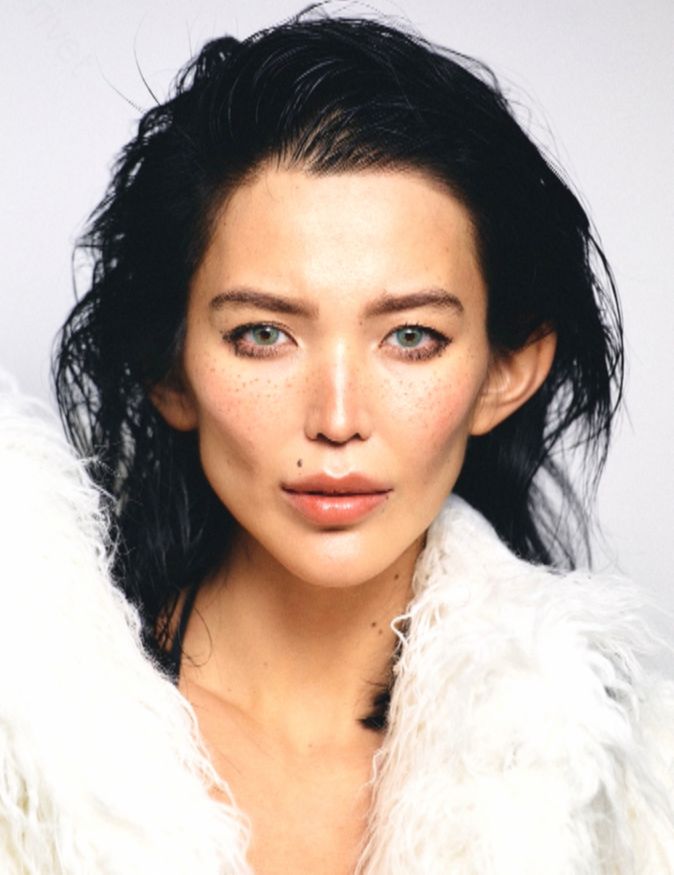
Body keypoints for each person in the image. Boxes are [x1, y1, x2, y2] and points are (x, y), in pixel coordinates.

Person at [2, 9, 673, 874]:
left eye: (412, 337)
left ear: (505, 370)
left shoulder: (629, 782)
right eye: (263, 334)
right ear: (169, 370)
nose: (339, 416)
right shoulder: (29, 739)